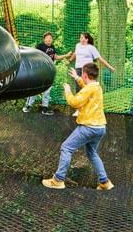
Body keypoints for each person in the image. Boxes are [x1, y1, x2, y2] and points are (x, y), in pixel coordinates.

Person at [42, 63, 114, 191]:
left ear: (85, 75)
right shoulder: (97, 87)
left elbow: (74, 102)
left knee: (66, 148)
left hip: (88, 127)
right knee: (92, 153)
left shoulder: (88, 89)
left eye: (82, 75)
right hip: (100, 127)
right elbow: (86, 88)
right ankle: (105, 182)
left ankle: (58, 180)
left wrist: (68, 91)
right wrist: (77, 78)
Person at [22, 32, 72, 115]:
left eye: (50, 38)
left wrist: (66, 55)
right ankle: (28, 105)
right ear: (44, 39)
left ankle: (45, 108)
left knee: (47, 89)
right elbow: (35, 57)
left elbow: (55, 57)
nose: (49, 39)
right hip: (39, 71)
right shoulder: (40, 46)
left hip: (49, 72)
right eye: (47, 38)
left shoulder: (52, 47)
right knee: (35, 88)